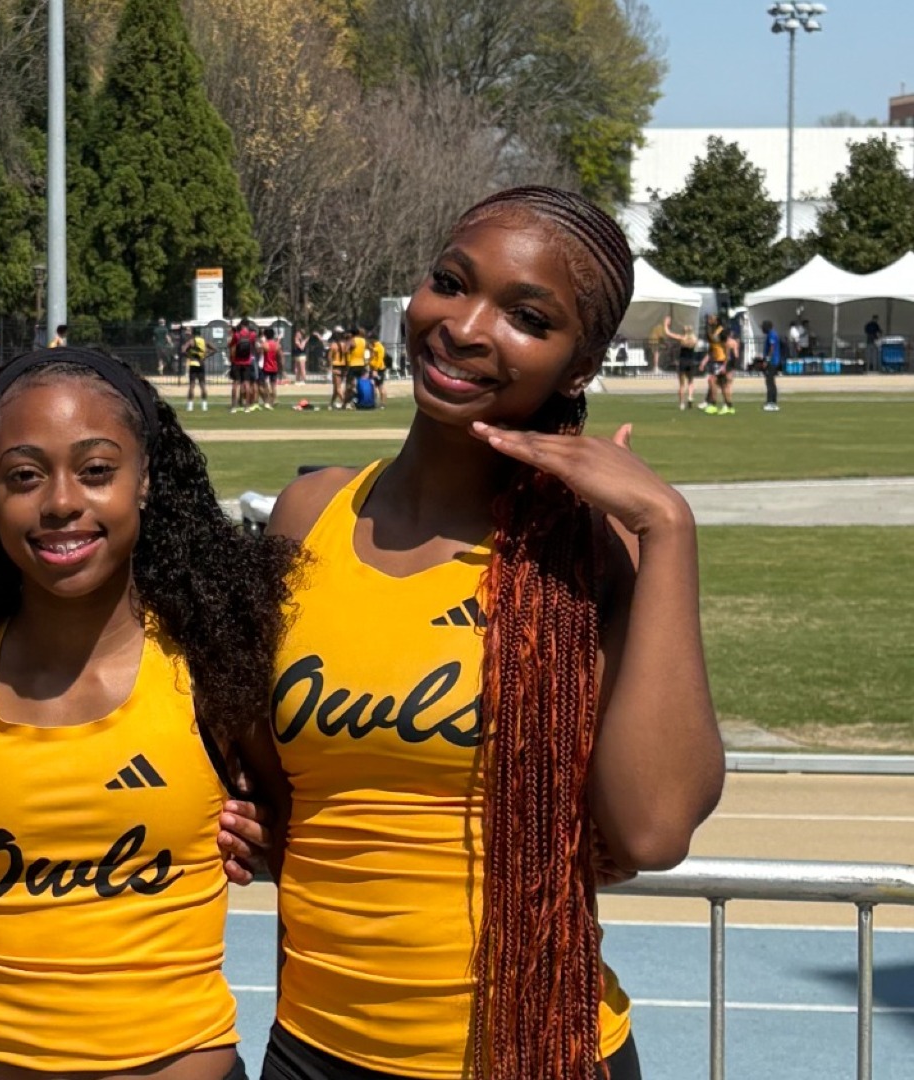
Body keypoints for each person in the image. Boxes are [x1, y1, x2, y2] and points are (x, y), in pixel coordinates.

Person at [261, 186, 723, 1080]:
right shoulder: (308, 513)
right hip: (313, 1049)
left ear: (578, 366)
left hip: (533, 1054)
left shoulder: (597, 545)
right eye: (450, 282)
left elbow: (654, 829)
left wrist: (666, 526)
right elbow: (275, 785)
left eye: (525, 316)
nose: (464, 327)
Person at [0, 347, 293, 1080]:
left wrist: (267, 839)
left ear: (145, 481)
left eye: (97, 470)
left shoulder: (213, 672)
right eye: (23, 475)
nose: (60, 502)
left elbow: (309, 832)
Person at [700, 313, 733, 415]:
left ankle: (715, 405)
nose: (709, 320)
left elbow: (727, 348)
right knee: (720, 384)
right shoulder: (711, 333)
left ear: (716, 320)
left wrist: (725, 364)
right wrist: (704, 361)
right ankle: (728, 406)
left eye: (711, 318)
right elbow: (712, 349)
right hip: (716, 361)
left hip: (722, 361)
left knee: (715, 381)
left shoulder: (721, 331)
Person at [665, 315, 700, 409]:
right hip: (691, 362)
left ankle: (681, 404)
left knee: (681, 384)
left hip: (682, 361)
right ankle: (690, 397)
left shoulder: (682, 338)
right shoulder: (694, 340)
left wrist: (666, 324)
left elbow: (668, 333)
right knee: (691, 382)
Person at [228, 318, 258, 412]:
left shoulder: (237, 335)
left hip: (237, 362)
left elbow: (231, 345)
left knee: (235, 384)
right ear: (248, 325)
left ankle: (233, 407)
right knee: (247, 384)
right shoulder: (252, 335)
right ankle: (247, 407)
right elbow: (253, 345)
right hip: (247, 362)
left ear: (241, 325)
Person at [184, 329, 211, 412]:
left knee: (192, 385)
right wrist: (205, 356)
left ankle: (190, 406)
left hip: (193, 364)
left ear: (194, 334)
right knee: (202, 385)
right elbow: (215, 349)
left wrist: (189, 356)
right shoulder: (204, 341)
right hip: (201, 364)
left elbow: (183, 349)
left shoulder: (191, 341)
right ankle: (204, 406)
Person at [761, 319, 784, 411]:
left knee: (770, 382)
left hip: (772, 361)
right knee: (769, 381)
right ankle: (771, 402)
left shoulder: (772, 334)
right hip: (773, 361)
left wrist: (767, 360)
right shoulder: (771, 334)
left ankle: (772, 402)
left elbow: (772, 347)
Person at [259, 324, 282, 406]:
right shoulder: (277, 345)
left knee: (264, 384)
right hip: (274, 367)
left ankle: (267, 400)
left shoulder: (264, 345)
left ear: (265, 335)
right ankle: (273, 401)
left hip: (266, 367)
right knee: (274, 385)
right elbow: (280, 358)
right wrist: (281, 368)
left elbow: (260, 354)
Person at [368, 333, 388, 407]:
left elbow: (379, 359)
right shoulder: (374, 347)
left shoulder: (379, 347)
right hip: (372, 368)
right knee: (373, 386)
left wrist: (375, 370)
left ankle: (383, 403)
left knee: (380, 386)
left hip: (379, 369)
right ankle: (373, 402)